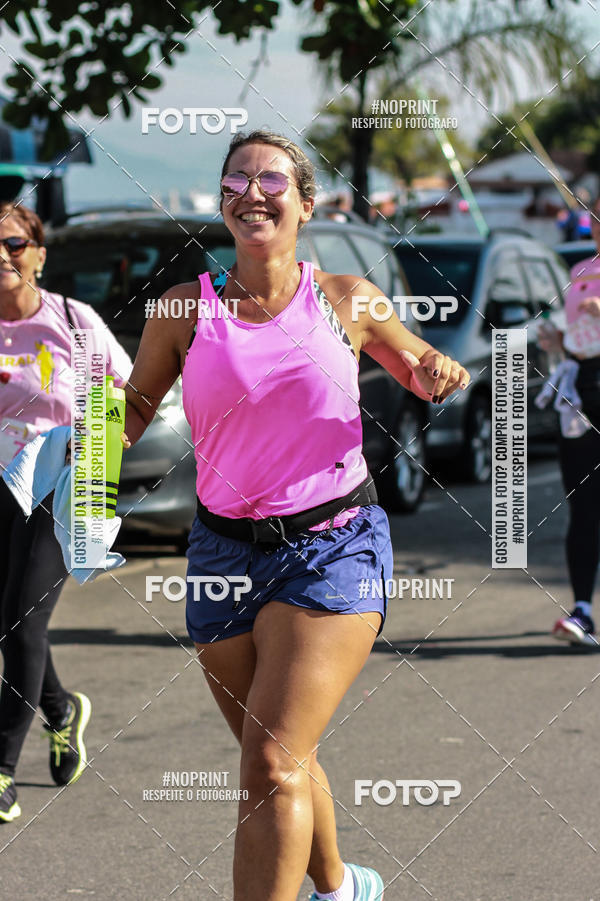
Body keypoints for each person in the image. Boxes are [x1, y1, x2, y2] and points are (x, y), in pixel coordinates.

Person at [122, 130, 470, 901]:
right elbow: (135, 410)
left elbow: (420, 367)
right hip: (221, 555)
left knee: (271, 761)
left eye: (272, 180)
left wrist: (440, 371)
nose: (252, 192)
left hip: (331, 546)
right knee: (280, 752)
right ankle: (342, 886)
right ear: (221, 202)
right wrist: (81, 423)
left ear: (306, 204)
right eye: (236, 180)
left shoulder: (346, 298)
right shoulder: (183, 307)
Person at [0, 202, 132, 823]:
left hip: (59, 488)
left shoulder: (74, 323)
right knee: (7, 622)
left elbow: (125, 394)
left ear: (39, 254)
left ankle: (2, 768)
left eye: (14, 244)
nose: (3, 256)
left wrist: (96, 439)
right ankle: (61, 709)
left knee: (22, 622)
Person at [538, 193, 600, 647]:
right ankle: (582, 611)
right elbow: (581, 334)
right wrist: (558, 340)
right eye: (596, 217)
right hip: (583, 388)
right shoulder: (581, 271)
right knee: (583, 505)